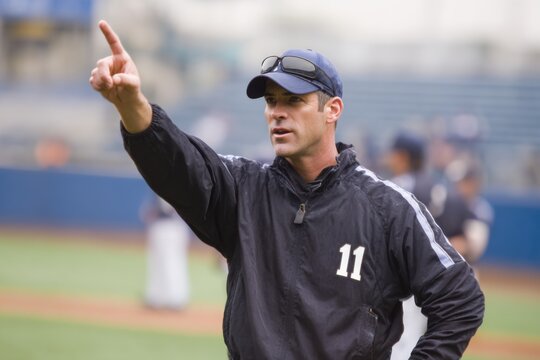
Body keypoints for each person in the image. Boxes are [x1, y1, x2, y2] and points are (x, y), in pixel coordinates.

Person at [90, 20, 484, 359]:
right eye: (271, 101)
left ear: (332, 110)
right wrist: (133, 107)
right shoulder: (244, 189)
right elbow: (178, 163)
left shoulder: (387, 208)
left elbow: (461, 300)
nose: (277, 111)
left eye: (294, 100)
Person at [383, 131, 478, 360]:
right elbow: (464, 237)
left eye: (393, 154)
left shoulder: (400, 185)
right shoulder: (439, 186)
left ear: (403, 156)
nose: (389, 158)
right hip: (441, 277)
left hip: (410, 279)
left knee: (402, 347)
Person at [140, 193, 190, 310]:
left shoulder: (174, 183)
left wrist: (154, 212)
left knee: (171, 262)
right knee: (157, 262)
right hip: (167, 226)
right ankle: (157, 297)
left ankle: (175, 298)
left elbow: (167, 208)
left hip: (170, 227)